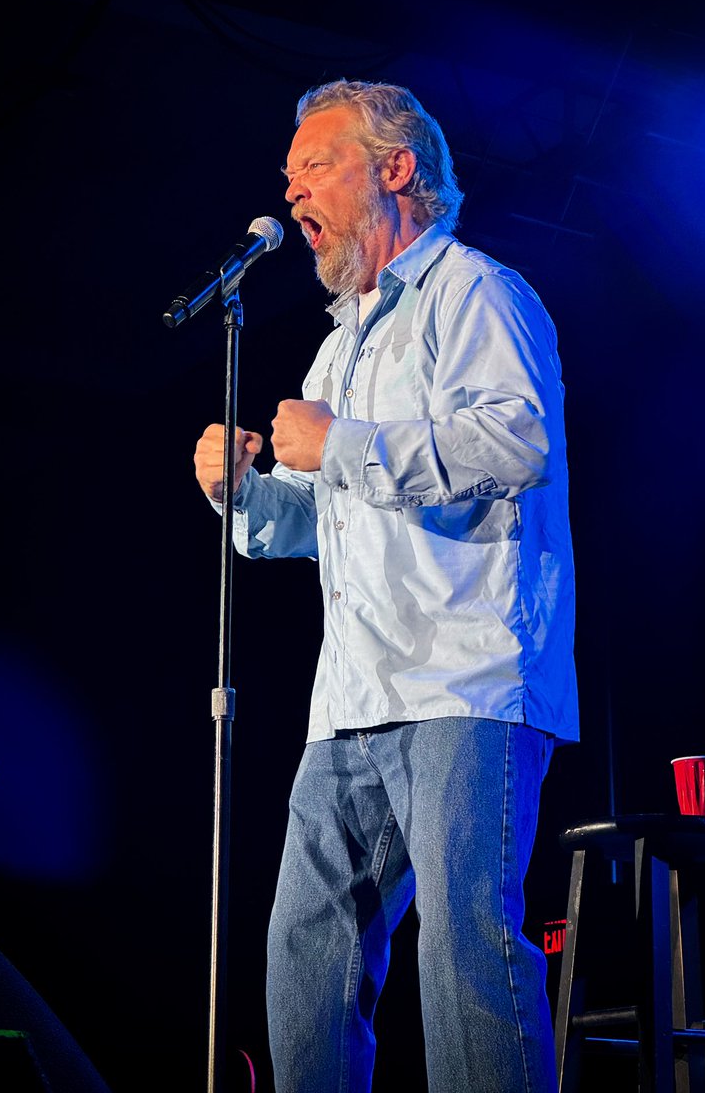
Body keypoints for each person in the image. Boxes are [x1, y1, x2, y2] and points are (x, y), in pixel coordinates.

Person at [194, 78, 578, 1093]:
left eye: (314, 165)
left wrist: (343, 444)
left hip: (466, 680)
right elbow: (312, 524)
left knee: (465, 961)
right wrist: (242, 495)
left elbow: (515, 441)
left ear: (395, 168)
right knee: (304, 962)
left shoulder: (478, 293)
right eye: (288, 175)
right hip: (355, 696)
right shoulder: (337, 346)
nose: (291, 191)